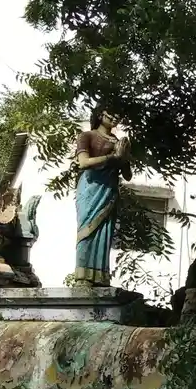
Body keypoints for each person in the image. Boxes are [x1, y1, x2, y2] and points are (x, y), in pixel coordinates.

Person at [73, 107, 132, 286]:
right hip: (90, 188)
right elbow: (83, 162)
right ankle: (83, 277)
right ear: (100, 115)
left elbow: (128, 175)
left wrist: (124, 156)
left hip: (109, 190)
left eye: (117, 114)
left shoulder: (118, 142)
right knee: (87, 230)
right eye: (111, 113)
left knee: (105, 231)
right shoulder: (87, 136)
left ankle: (99, 276)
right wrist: (112, 157)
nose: (115, 117)